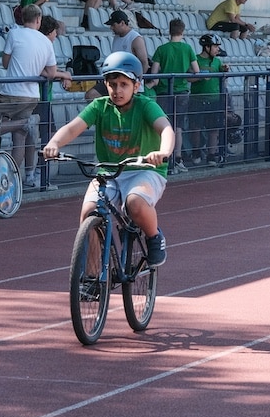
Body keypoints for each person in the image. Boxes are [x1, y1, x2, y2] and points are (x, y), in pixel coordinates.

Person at [43, 51, 174, 267]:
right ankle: (93, 276)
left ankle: (154, 236)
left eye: (124, 84)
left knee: (136, 203)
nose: (118, 90)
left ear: (136, 85)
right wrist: (54, 143)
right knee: (89, 212)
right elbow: (72, 128)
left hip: (145, 170)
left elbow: (166, 129)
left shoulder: (146, 105)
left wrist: (163, 152)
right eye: (113, 84)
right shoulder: (100, 106)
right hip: (109, 172)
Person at [0, 5, 57, 171]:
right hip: (32, 96)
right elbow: (51, 73)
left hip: (11, 93)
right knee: (19, 139)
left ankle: (24, 123)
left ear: (21, 19)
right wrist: (35, 69)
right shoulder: (46, 41)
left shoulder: (14, 33)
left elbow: (5, 63)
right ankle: (11, 180)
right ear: (38, 20)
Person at [24, 15, 72, 189]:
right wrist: (63, 75)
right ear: (50, 32)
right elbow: (43, 70)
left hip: (40, 97)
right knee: (43, 137)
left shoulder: (37, 43)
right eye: (55, 33)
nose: (56, 37)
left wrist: (62, 75)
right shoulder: (42, 44)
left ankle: (34, 174)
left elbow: (49, 69)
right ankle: (36, 175)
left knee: (37, 136)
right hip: (36, 98)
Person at [148, 18, 200, 174]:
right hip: (181, 91)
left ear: (169, 30)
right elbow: (196, 71)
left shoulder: (161, 49)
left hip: (164, 91)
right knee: (178, 127)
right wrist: (186, 76)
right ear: (182, 31)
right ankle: (178, 158)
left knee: (163, 125)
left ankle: (164, 158)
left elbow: (154, 72)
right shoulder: (188, 49)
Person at [86, 10, 149, 100]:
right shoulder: (117, 37)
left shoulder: (135, 39)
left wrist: (135, 82)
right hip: (115, 78)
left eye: (113, 25)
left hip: (128, 80)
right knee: (90, 95)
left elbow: (144, 63)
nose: (111, 28)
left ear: (122, 23)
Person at [189, 33, 229, 166]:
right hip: (197, 99)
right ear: (207, 47)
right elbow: (188, 77)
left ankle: (211, 155)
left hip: (214, 99)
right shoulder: (195, 59)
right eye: (215, 46)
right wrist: (200, 76)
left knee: (214, 129)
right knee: (196, 128)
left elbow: (223, 78)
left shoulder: (217, 61)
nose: (218, 49)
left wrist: (225, 71)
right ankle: (196, 151)